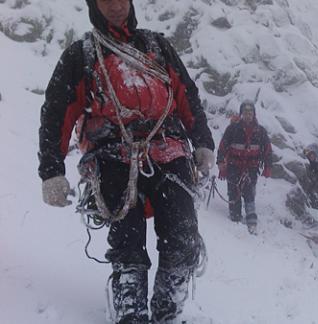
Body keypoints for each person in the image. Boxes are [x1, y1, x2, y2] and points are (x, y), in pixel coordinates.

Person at [38, 0, 215, 322]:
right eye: (106, 0)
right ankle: (131, 314)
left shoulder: (157, 46)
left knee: (182, 237)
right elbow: (57, 112)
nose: (116, 6)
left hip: (169, 151)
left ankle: (167, 312)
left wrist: (203, 142)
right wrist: (51, 171)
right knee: (127, 244)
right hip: (112, 158)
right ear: (94, 6)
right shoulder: (83, 55)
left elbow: (185, 94)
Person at [216, 100, 272, 235]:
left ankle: (251, 219)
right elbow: (223, 146)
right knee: (234, 191)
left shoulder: (261, 131)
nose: (248, 115)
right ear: (241, 114)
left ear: (254, 114)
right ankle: (235, 218)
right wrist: (220, 162)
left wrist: (268, 167)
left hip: (251, 168)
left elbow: (267, 150)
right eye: (245, 112)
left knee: (249, 192)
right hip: (233, 166)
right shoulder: (233, 129)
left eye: (250, 112)